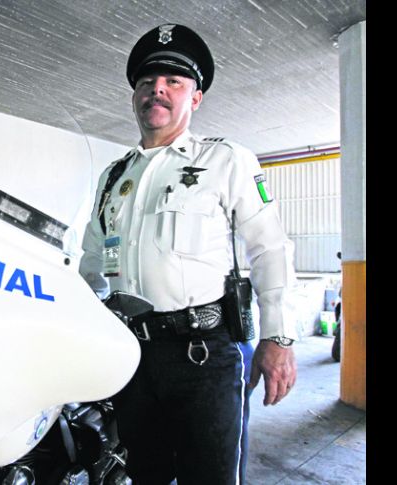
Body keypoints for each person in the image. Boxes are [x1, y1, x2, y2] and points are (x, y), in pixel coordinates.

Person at [78, 24, 298, 485]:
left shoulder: (226, 161)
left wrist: (278, 339)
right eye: (146, 82)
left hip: (205, 358)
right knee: (145, 474)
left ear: (194, 98)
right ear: (135, 96)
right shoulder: (114, 178)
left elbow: (269, 248)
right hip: (133, 357)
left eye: (173, 82)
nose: (156, 89)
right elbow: (92, 267)